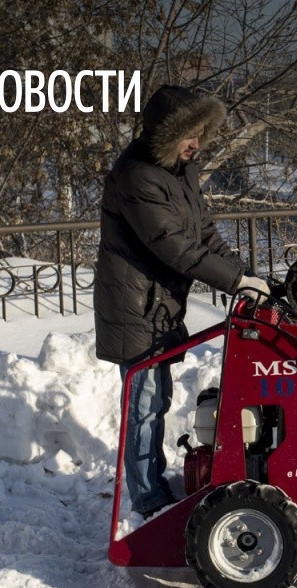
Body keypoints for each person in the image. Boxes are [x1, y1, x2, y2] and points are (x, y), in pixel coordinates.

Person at [94, 85, 268, 517]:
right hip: (135, 308)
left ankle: (153, 484)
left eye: (201, 133)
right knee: (145, 403)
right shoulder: (137, 176)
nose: (197, 143)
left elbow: (204, 235)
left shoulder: (178, 170)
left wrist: (246, 275)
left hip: (156, 304)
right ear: (165, 134)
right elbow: (174, 247)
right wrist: (234, 282)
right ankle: (148, 502)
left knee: (156, 399)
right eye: (189, 134)